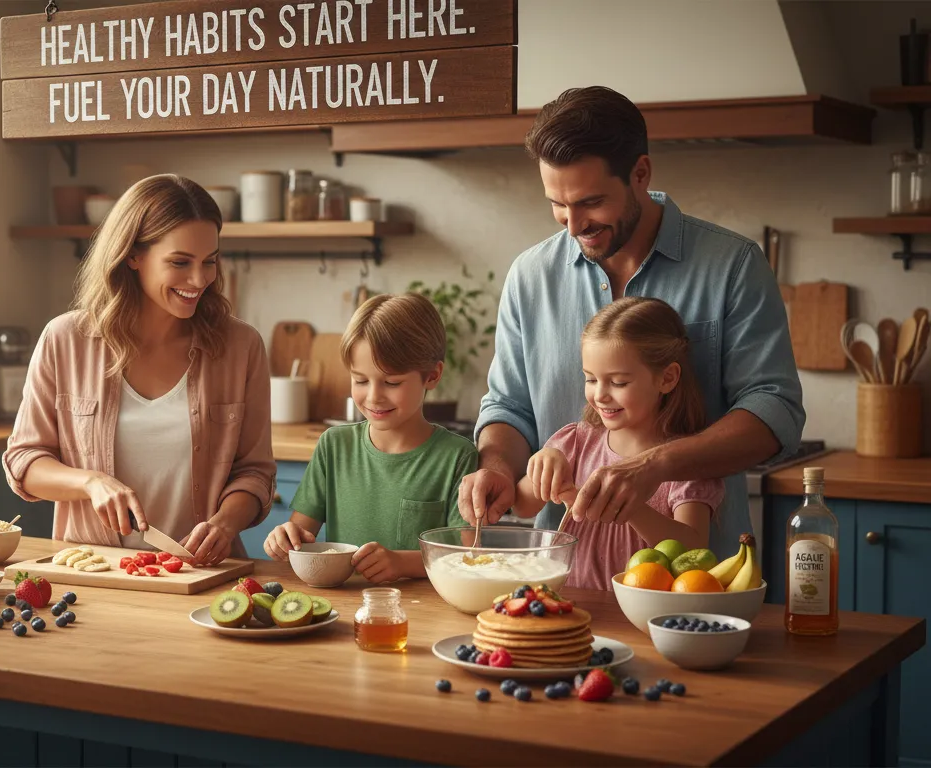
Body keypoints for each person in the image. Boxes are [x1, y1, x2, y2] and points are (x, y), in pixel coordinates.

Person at [459, 85, 804, 558]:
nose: (573, 224)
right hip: (561, 575)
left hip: (692, 584)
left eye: (591, 202)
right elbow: (509, 406)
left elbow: (775, 411)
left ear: (640, 173)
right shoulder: (531, 275)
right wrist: (497, 467)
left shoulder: (734, 265)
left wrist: (653, 465)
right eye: (557, 204)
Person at [2, 174, 276, 566]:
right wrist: (90, 482)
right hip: (94, 573)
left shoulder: (239, 346)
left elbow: (255, 472)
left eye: (210, 261)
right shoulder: (65, 340)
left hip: (204, 578)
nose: (199, 280)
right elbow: (24, 462)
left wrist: (226, 524)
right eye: (180, 262)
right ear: (133, 255)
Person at [263, 293, 479, 583]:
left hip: (422, 614)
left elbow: (463, 557)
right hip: (345, 611)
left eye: (391, 382)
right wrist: (284, 538)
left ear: (432, 375)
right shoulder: (333, 446)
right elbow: (301, 534)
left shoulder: (458, 456)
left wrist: (401, 563)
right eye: (360, 380)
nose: (374, 396)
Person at [513, 297, 724, 590]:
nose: (600, 395)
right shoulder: (577, 441)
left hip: (644, 617)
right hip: (570, 605)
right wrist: (542, 464)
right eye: (590, 379)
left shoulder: (685, 462)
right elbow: (522, 506)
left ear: (667, 378)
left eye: (618, 382)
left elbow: (694, 549)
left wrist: (630, 504)